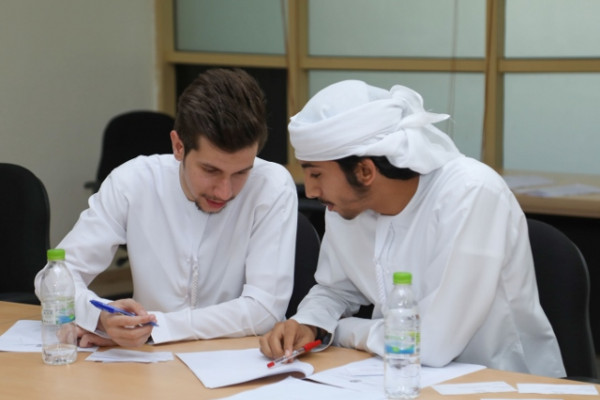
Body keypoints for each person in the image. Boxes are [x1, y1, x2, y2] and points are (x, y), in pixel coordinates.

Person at [259, 80, 566, 377]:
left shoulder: (470, 194)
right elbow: (336, 288)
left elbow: (432, 343)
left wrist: (339, 330)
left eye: (316, 175)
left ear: (365, 171)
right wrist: (308, 324)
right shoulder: (345, 206)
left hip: (502, 381)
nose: (311, 192)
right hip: (396, 375)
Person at [35, 68, 298, 348]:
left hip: (234, 360)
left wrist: (155, 328)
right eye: (210, 170)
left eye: (241, 173)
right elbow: (52, 279)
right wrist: (101, 316)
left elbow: (265, 310)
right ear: (179, 146)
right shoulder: (133, 181)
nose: (225, 191)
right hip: (146, 365)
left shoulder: (272, 185)